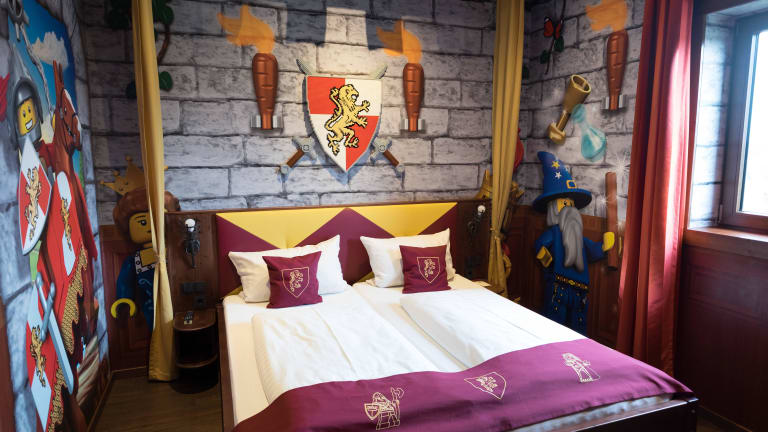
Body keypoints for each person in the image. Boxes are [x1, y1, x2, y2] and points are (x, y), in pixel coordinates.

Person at [532, 152, 614, 335]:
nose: (569, 209)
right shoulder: (554, 233)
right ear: (553, 209)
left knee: (578, 325)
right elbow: (540, 245)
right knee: (554, 322)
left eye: (571, 204)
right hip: (558, 287)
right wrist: (545, 256)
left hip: (580, 290)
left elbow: (591, 250)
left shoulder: (578, 236)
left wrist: (603, 246)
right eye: (564, 204)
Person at [112, 187, 179, 329]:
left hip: (178, 298)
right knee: (155, 326)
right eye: (142, 222)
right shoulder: (134, 260)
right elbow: (125, 281)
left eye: (157, 220)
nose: (150, 228)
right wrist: (124, 299)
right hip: (150, 304)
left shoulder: (175, 251)